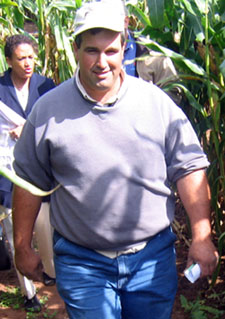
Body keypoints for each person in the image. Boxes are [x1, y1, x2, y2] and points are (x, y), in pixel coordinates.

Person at [12, 1, 218, 319]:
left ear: (124, 48)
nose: (102, 62)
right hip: (82, 262)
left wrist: (202, 235)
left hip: (151, 257)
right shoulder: (48, 110)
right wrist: (23, 246)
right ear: (76, 49)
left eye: (111, 51)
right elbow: (29, 180)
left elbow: (189, 166)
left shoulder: (156, 105)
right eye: (92, 50)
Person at [0, 34, 56, 312]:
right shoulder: (0, 89)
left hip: (42, 173)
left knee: (46, 227)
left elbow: (58, 123)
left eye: (31, 57)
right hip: (8, 173)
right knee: (15, 234)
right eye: (21, 58)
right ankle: (28, 292)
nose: (27, 63)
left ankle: (50, 273)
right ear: (8, 60)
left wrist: (30, 130)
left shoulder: (47, 86)